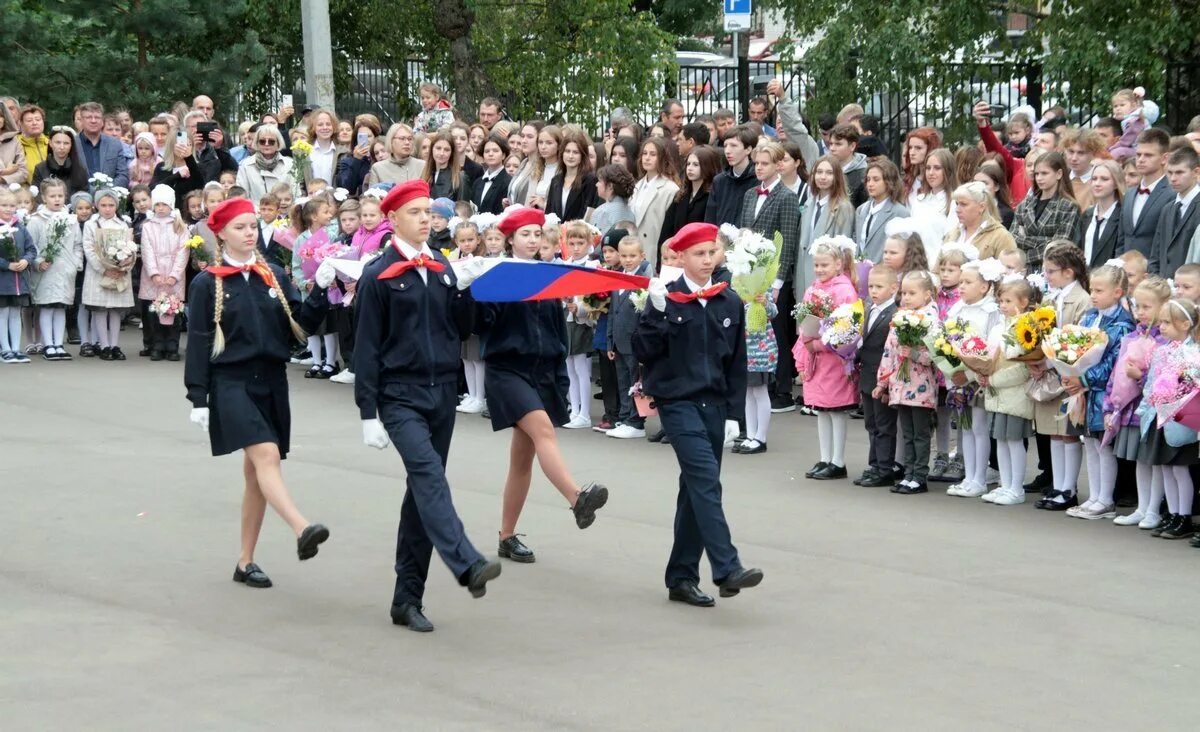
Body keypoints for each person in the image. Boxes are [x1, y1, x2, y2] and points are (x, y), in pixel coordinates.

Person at [184, 197, 334, 590]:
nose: (249, 233)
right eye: (240, 227)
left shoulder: (274, 276)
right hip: (230, 381)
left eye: (253, 226)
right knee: (266, 456)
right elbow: (200, 340)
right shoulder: (208, 282)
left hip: (272, 380)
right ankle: (302, 528)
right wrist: (198, 395)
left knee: (256, 475)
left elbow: (299, 330)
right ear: (221, 234)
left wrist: (320, 290)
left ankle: (245, 561)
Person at [466, 206, 610, 563]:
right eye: (524, 235)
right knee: (544, 431)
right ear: (510, 240)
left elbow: (557, 331)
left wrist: (559, 374)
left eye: (536, 234)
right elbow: (480, 322)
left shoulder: (550, 275)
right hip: (507, 369)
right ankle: (577, 498)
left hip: (543, 371)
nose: (532, 240)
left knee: (521, 461)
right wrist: (476, 289)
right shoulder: (499, 275)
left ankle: (506, 536)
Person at [632, 222, 764, 607]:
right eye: (699, 254)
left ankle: (681, 576)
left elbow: (736, 363)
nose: (708, 260)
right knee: (706, 479)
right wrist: (655, 312)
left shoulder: (729, 302)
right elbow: (643, 351)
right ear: (681, 257)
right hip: (677, 401)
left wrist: (734, 415)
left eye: (712, 252)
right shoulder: (666, 297)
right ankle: (727, 567)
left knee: (694, 490)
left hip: (715, 404)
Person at [1064, 263, 1136, 519]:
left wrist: (1084, 378)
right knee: (1090, 444)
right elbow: (1076, 348)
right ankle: (1094, 495)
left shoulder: (1122, 325)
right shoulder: (1090, 317)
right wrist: (1070, 370)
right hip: (1086, 392)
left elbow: (1114, 364)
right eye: (1091, 289)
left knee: (1104, 446)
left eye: (1099, 290)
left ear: (1117, 292)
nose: (1093, 295)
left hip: (1104, 395)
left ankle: (1106, 499)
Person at [739, 142, 801, 412]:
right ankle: (758, 381)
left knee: (775, 330)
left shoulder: (786, 197)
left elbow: (786, 241)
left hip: (773, 275)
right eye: (757, 164)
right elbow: (744, 232)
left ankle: (782, 388)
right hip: (750, 272)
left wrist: (777, 282)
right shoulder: (750, 194)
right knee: (753, 330)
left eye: (765, 163)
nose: (759, 168)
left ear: (778, 165)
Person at [1106, 276, 1171, 526]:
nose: (1140, 312)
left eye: (1147, 307)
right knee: (1140, 460)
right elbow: (1116, 373)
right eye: (1137, 306)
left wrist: (1141, 376)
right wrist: (1111, 405)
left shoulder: (1164, 340)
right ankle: (1142, 508)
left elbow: (1164, 381)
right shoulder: (1134, 335)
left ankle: (1154, 509)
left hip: (1153, 410)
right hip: (1132, 408)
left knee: (1152, 461)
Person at [1031, 242, 1091, 510]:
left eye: (1051, 271)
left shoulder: (1082, 300)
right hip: (1052, 372)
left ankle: (1069, 488)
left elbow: (1080, 340)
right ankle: (1058, 485)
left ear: (1069, 272)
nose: (1047, 276)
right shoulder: (1050, 297)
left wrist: (1057, 364)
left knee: (1068, 433)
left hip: (1069, 374)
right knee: (1054, 432)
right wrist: (1038, 360)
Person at [1133, 298, 1200, 538]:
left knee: (1180, 470)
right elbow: (1150, 384)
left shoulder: (1194, 353)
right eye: (1160, 322)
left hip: (1181, 420)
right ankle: (1172, 514)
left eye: (1167, 322)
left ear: (1184, 324)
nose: (1161, 327)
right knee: (1165, 469)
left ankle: (1184, 517)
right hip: (1158, 417)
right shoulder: (1162, 351)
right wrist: (1145, 409)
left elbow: (1194, 387)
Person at [795, 237, 861, 479]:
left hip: (835, 359)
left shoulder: (844, 290)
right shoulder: (813, 289)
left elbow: (848, 329)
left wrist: (821, 343)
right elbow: (804, 321)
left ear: (838, 264)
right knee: (820, 410)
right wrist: (804, 351)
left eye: (825, 265)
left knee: (836, 410)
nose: (820, 270)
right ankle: (824, 458)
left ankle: (838, 461)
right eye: (816, 265)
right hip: (816, 358)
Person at [874, 271, 941, 494]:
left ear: (928, 295)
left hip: (921, 386)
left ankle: (919, 476)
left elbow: (936, 356)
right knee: (908, 432)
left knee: (920, 433)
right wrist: (882, 382)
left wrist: (914, 354)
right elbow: (889, 352)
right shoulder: (900, 317)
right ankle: (908, 473)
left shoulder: (931, 320)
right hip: (900, 385)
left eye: (912, 293)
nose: (907, 297)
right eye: (904, 293)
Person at [943, 259, 1004, 498]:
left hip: (978, 379)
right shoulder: (957, 309)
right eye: (961, 282)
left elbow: (990, 347)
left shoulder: (991, 311)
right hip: (959, 378)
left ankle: (980, 478)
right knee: (965, 429)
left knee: (979, 428)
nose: (962, 287)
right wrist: (952, 370)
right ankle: (969, 477)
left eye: (968, 282)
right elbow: (947, 341)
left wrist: (971, 372)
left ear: (985, 286)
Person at [852, 266, 900, 486]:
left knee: (884, 425)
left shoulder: (895, 314)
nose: (873, 290)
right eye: (870, 286)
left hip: (883, 378)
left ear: (893, 288)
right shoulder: (869, 308)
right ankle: (874, 465)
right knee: (871, 423)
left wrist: (887, 381)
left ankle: (885, 467)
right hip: (867, 375)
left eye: (879, 286)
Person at [606, 235, 652, 439]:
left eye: (632, 255)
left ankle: (636, 420)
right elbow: (612, 311)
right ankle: (624, 417)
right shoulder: (617, 277)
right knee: (623, 381)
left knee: (636, 382)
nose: (628, 260)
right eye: (623, 255)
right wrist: (610, 341)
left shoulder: (644, 281)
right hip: (618, 341)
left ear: (642, 256)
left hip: (635, 342)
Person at [29, 179, 81, 360]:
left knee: (60, 307)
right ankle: (47, 345)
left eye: (60, 195)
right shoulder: (36, 220)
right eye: (52, 196)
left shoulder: (71, 219)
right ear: (43, 197)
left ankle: (58, 344)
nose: (57, 199)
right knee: (47, 307)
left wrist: (75, 264)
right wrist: (37, 262)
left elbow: (77, 245)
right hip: (45, 271)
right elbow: (31, 246)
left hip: (65, 271)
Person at [1010, 152, 1080, 271]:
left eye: (1044, 173)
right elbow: (1012, 238)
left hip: (1052, 271)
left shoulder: (1068, 206)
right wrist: (1046, 241)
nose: (1039, 178)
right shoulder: (1025, 204)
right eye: (1037, 174)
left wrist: (1024, 250)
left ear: (1059, 174)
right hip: (1022, 272)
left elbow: (1058, 248)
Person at [1118, 128, 1172, 259]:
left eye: (1148, 155)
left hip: (1154, 273)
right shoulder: (1129, 194)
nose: (1141, 159)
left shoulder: (1172, 194)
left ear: (1164, 158)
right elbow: (1122, 239)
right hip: (1125, 270)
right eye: (1138, 155)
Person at [1148, 146, 1200, 276]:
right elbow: (1156, 252)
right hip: (1164, 287)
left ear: (1196, 172)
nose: (1173, 178)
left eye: (1179, 172)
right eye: (1169, 172)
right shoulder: (1168, 208)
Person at [630, 137, 680, 266]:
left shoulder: (670, 189)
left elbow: (668, 229)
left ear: (662, 158)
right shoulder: (637, 186)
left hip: (654, 249)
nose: (647, 158)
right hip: (634, 250)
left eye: (653, 154)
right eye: (644, 154)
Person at [0, 187, 36, 363]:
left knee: (15, 314)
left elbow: (31, 249)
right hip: (3, 282)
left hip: (19, 283)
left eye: (11, 205)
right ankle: (5, 349)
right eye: (4, 205)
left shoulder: (20, 227)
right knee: (3, 315)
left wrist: (26, 261)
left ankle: (16, 348)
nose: (8, 209)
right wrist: (7, 265)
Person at [943, 181, 1018, 260]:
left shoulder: (1001, 237)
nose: (957, 209)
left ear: (982, 207)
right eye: (957, 204)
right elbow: (937, 269)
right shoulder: (952, 234)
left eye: (964, 204)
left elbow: (1011, 269)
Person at [855, 159, 910, 262]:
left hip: (884, 273)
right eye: (868, 179)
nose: (870, 184)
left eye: (876, 179)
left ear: (889, 182)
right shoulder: (861, 210)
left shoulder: (900, 213)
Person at [704, 126, 758, 227]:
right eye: (725, 146)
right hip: (719, 239)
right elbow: (710, 219)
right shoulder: (719, 181)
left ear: (748, 149)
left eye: (733, 145)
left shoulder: (758, 180)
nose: (727, 151)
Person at [1078, 159, 1124, 268]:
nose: (1097, 183)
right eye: (1094, 179)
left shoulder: (1122, 215)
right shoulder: (1087, 215)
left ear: (1116, 184)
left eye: (1104, 179)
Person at [546, 129, 596, 222]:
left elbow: (587, 214)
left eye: (575, 152)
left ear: (582, 155)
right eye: (567, 151)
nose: (570, 156)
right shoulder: (555, 180)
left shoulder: (590, 180)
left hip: (577, 233)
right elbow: (549, 213)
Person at [75, 102, 129, 188]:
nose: (93, 121)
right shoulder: (72, 144)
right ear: (81, 120)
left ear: (102, 121)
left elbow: (123, 175)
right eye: (89, 117)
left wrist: (106, 191)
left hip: (109, 196)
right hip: (80, 196)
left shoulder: (114, 144)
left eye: (97, 117)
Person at [236, 125, 294, 201]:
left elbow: (295, 193)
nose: (266, 144)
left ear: (278, 143)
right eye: (262, 141)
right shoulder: (245, 165)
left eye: (271, 141)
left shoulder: (290, 164)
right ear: (257, 143)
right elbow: (242, 196)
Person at [32, 126, 90, 196]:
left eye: (66, 143)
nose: (62, 147)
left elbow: (84, 196)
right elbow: (37, 196)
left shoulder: (80, 169)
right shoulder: (40, 169)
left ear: (71, 145)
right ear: (50, 143)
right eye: (58, 142)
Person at [470, 135, 511, 215]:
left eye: (495, 151)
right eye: (487, 151)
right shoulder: (477, 182)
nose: (490, 154)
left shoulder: (508, 181)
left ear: (503, 155)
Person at [593, 164, 636, 234]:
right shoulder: (630, 213)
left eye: (599, 181)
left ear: (610, 186)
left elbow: (595, 242)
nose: (596, 184)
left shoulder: (601, 212)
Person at [17, 105, 48, 182]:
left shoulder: (52, 143)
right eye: (29, 120)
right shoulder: (15, 145)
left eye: (38, 119)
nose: (34, 123)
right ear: (21, 124)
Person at [0, 104, 27, 186]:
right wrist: (7, 171)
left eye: (0, 116)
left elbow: (23, 173)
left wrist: (3, 178)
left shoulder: (15, 142)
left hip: (8, 194)